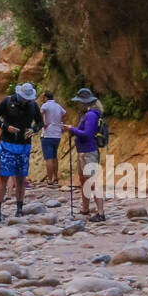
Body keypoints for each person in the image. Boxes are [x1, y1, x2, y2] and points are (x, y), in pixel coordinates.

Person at [0, 81, 43, 221]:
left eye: (29, 98)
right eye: (25, 97)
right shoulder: (8, 101)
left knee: (21, 178)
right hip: (7, 144)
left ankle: (19, 209)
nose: (27, 100)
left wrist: (34, 130)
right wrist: (6, 127)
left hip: (24, 146)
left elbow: (40, 122)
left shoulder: (32, 105)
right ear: (19, 94)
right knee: (3, 178)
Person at [65, 87, 106, 221]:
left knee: (92, 182)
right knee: (83, 181)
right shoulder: (89, 114)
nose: (78, 104)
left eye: (79, 101)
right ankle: (85, 208)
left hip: (89, 152)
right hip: (83, 151)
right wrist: (74, 130)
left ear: (84, 102)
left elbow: (87, 134)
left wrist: (72, 130)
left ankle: (100, 213)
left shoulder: (91, 115)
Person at [40, 90, 67, 187]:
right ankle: (55, 177)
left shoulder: (45, 105)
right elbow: (64, 114)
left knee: (49, 157)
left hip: (48, 134)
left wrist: (43, 124)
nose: (42, 99)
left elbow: (41, 113)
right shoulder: (58, 106)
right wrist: (62, 125)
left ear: (46, 97)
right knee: (54, 156)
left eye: (43, 97)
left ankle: (49, 179)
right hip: (57, 134)